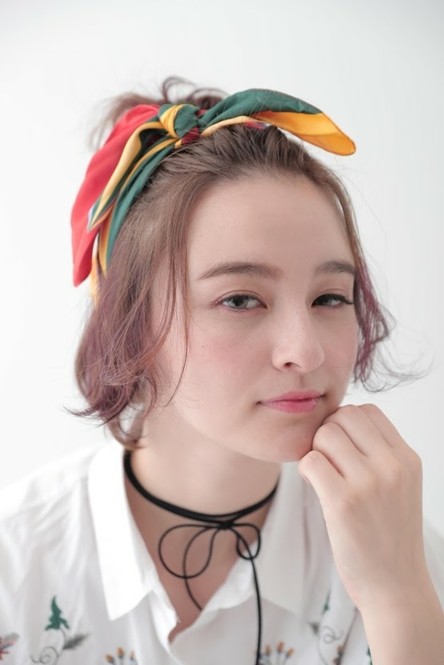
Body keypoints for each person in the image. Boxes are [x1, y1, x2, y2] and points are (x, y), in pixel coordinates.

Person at [0, 79, 443, 665]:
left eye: (330, 297)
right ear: (132, 323)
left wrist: (399, 599)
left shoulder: (400, 555)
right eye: (240, 299)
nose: (304, 351)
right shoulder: (16, 565)